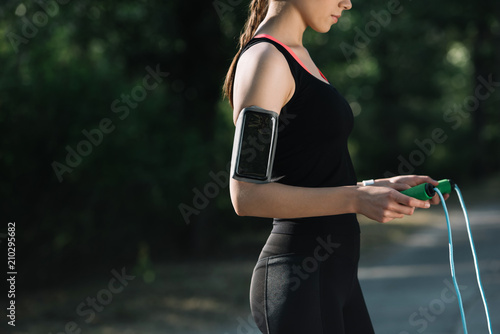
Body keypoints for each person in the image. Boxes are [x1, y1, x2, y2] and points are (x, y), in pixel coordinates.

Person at [223, 0, 448, 333]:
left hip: (335, 277)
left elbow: (308, 171)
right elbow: (246, 194)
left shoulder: (298, 55)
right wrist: (355, 200)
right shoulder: (265, 60)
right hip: (297, 277)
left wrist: (373, 187)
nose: (348, 2)